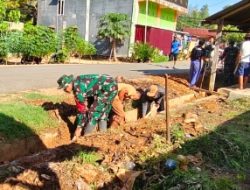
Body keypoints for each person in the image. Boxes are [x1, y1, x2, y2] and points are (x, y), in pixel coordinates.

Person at [57, 74, 118, 141]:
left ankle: (86, 137)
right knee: (103, 111)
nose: (64, 90)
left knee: (93, 113)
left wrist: (79, 129)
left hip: (108, 89)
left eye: (64, 88)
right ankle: (103, 134)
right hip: (110, 84)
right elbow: (89, 94)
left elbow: (82, 111)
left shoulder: (78, 91)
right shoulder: (78, 80)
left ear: (68, 85)